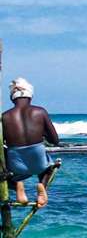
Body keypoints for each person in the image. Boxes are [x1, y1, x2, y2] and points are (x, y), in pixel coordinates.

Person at [2, 78, 60, 208]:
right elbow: (55, 141)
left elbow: (3, 142)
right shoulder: (40, 112)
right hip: (38, 163)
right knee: (49, 168)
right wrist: (41, 134)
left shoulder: (5, 116)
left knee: (4, 175)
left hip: (16, 165)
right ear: (30, 95)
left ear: (12, 97)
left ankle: (17, 185)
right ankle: (42, 186)